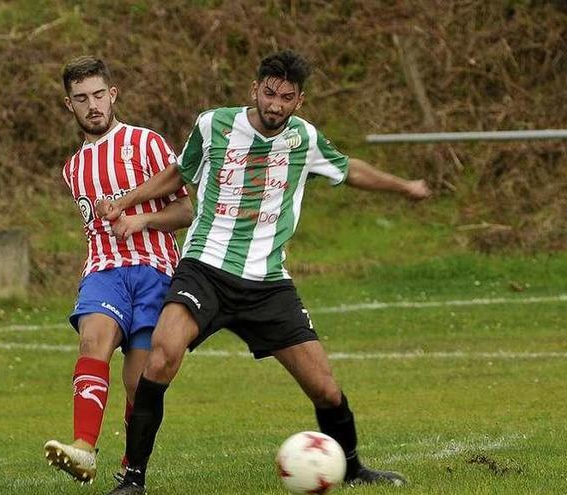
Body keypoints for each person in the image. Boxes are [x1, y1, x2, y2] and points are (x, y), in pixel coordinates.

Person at [98, 50, 432, 494]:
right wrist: (126, 201)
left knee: (326, 390)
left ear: (300, 102)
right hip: (205, 268)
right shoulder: (213, 125)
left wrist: (404, 186)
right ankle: (133, 479)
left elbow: (350, 169)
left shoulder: (304, 139)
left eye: (287, 98)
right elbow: (179, 172)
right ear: (255, 89)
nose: (276, 104)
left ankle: (351, 467)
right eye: (270, 93)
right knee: (160, 356)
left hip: (268, 283)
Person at [43, 56, 194, 484]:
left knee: (138, 383)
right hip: (104, 268)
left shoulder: (147, 143)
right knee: (93, 340)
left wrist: (141, 219)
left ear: (113, 95)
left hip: (156, 269)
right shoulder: (72, 169)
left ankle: (131, 468)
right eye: (80, 98)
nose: (91, 105)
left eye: (97, 95)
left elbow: (185, 210)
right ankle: (84, 448)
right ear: (68, 105)